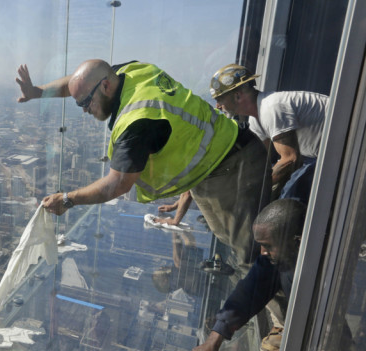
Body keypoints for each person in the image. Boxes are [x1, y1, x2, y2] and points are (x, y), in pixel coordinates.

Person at [17, 59, 270, 268]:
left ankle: (284, 317)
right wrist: (38, 92)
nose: (84, 110)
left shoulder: (136, 122)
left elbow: (115, 185)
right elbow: (78, 81)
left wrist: (67, 199)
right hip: (221, 160)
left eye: (85, 103)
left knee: (256, 255)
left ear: (105, 86)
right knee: (243, 245)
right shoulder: (131, 71)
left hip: (232, 170)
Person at [191, 199, 306, 351]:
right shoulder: (282, 258)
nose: (262, 252)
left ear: (298, 242)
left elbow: (328, 338)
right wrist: (215, 338)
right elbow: (252, 287)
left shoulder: (328, 277)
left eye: (268, 246)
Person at [210, 64, 327, 203]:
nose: (217, 106)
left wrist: (250, 190)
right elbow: (261, 161)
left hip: (343, 149)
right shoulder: (257, 119)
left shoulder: (271, 108)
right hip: (322, 157)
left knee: (290, 199)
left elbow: (290, 159)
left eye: (219, 99)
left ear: (237, 95)